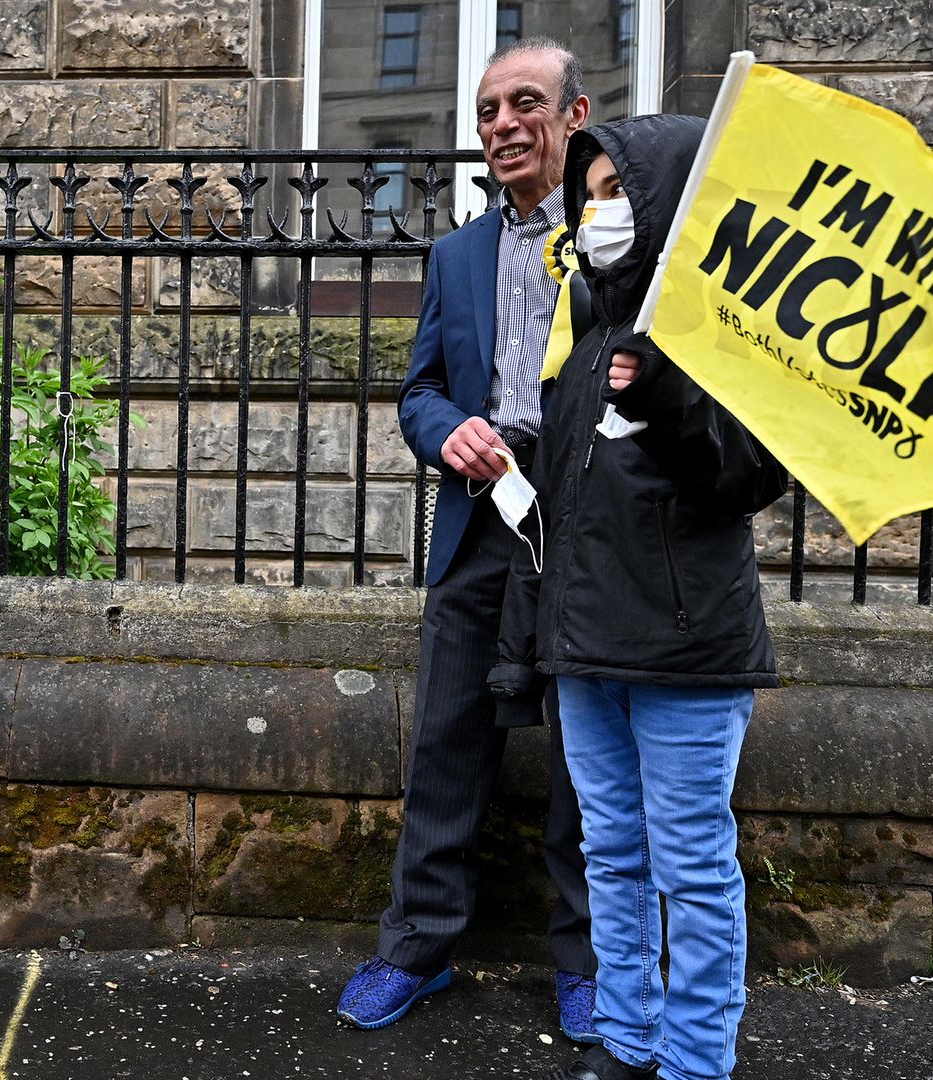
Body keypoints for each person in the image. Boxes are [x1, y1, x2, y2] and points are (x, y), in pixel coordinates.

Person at [495, 114, 787, 1080]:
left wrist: (672, 399)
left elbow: (747, 480)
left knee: (693, 870)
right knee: (612, 859)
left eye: (620, 191)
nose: (598, 209)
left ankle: (698, 1059)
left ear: (666, 202)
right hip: (589, 656)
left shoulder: (722, 338)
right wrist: (538, 640)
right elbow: (563, 510)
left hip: (687, 656)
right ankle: (629, 1038)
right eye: (592, 192)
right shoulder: (590, 337)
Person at [338, 38, 599, 1038]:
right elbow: (419, 393)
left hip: (581, 531)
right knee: (446, 744)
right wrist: (451, 432)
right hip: (478, 525)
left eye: (523, 103)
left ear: (574, 118)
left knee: (588, 763)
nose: (501, 124)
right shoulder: (453, 255)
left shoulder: (620, 242)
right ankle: (417, 951)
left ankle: (587, 964)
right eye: (489, 110)